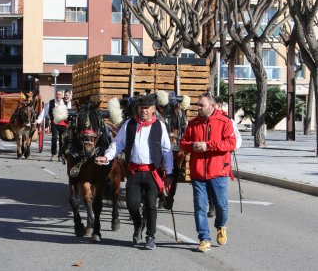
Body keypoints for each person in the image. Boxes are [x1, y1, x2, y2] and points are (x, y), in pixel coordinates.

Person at [95, 95, 173, 250]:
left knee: (151, 205)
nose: (143, 111)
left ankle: (151, 236)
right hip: (134, 172)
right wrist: (107, 157)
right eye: (141, 108)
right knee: (132, 204)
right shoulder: (130, 124)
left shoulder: (160, 126)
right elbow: (118, 144)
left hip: (152, 172)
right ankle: (138, 225)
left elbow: (167, 150)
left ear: (153, 109)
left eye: (146, 108)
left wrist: (169, 173)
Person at [180, 93, 236, 252]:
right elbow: (183, 143)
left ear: (212, 106)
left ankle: (221, 225)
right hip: (198, 173)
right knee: (199, 207)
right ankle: (204, 238)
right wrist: (193, 146)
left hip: (218, 171)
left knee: (221, 206)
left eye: (201, 105)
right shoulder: (193, 124)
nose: (198, 107)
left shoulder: (225, 122)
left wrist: (208, 145)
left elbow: (231, 143)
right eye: (198, 104)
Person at [207, 96, 242, 218]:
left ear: (219, 106)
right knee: (208, 186)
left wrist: (230, 148)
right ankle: (211, 205)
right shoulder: (205, 120)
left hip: (222, 160)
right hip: (206, 160)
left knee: (219, 187)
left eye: (214, 105)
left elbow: (237, 139)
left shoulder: (228, 121)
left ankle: (218, 208)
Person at [48, 90, 70, 161]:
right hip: (54, 122)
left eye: (60, 94)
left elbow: (69, 113)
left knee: (62, 139)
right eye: (57, 94)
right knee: (54, 138)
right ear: (55, 95)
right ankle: (53, 154)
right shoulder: (51, 102)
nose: (58, 96)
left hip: (63, 123)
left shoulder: (66, 103)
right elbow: (46, 112)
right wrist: (38, 120)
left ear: (62, 96)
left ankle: (60, 155)